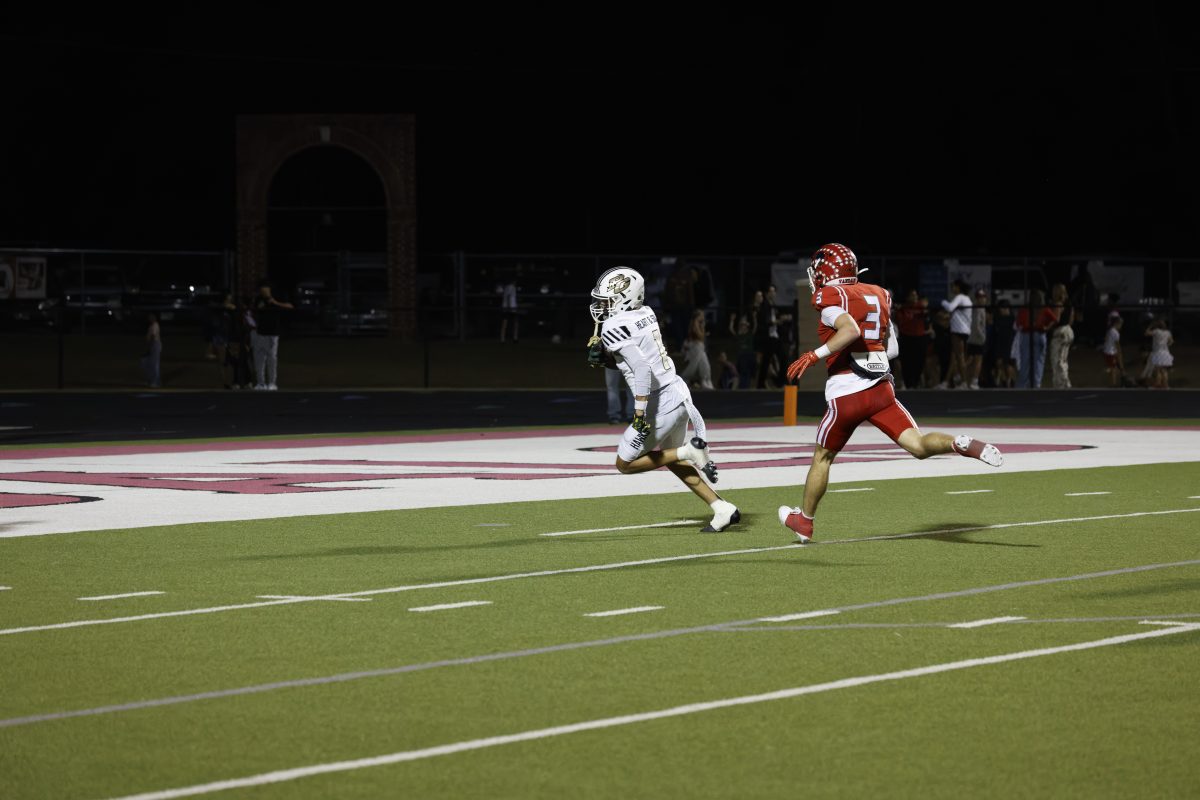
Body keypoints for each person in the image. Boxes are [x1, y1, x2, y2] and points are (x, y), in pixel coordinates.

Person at [775, 244, 1002, 543]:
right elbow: (892, 348)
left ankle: (804, 521)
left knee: (823, 457)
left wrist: (813, 355)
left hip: (847, 393)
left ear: (825, 273)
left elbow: (850, 330)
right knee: (918, 445)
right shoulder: (878, 294)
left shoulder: (830, 298)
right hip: (881, 389)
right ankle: (958, 443)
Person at [586, 266, 740, 533]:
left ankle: (689, 451)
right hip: (677, 391)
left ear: (624, 298)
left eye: (607, 301)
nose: (601, 307)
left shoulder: (613, 325)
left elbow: (642, 369)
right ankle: (721, 508)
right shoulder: (646, 312)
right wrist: (610, 359)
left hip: (660, 403)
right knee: (672, 459)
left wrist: (639, 412)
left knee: (625, 464)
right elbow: (639, 359)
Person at [251, 281, 294, 391]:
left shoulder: (276, 297)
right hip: (260, 333)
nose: (263, 291)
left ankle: (272, 383)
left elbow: (290, 306)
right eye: (261, 289)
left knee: (272, 359)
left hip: (272, 333)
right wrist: (257, 309)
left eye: (264, 288)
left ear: (269, 289)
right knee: (259, 360)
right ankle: (260, 383)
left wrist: (275, 302)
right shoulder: (258, 299)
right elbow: (252, 312)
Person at [1014, 289, 1056, 388]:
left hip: (1027, 335)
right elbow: (1054, 319)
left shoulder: (1025, 308)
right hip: (1039, 334)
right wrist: (1047, 327)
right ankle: (1036, 385)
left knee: (1025, 362)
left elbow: (1018, 323)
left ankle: (1022, 386)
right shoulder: (1044, 309)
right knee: (1038, 362)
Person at [939, 280, 973, 389]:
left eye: (954, 286)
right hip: (964, 330)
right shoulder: (967, 298)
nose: (952, 288)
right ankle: (946, 382)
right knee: (954, 358)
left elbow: (950, 307)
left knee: (959, 357)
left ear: (958, 287)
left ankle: (964, 382)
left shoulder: (960, 297)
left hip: (958, 331)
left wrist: (942, 302)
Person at [894, 290, 928, 391]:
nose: (914, 297)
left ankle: (916, 381)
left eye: (916, 295)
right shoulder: (902, 308)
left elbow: (926, 309)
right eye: (912, 295)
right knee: (906, 361)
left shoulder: (921, 306)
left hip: (919, 337)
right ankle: (908, 383)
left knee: (920, 360)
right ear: (907, 297)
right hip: (906, 337)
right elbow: (899, 321)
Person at [1047, 283, 1075, 388]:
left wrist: (1047, 328)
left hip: (1060, 332)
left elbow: (1056, 319)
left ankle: (1062, 383)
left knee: (1057, 359)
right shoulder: (1069, 304)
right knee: (1063, 359)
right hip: (1068, 330)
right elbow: (1071, 319)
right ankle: (1064, 382)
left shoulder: (1058, 304)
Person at [679, 309, 714, 390]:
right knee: (694, 365)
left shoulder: (697, 323)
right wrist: (703, 327)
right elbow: (701, 337)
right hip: (696, 347)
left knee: (704, 363)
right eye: (702, 315)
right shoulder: (695, 323)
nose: (703, 317)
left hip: (699, 347)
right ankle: (685, 379)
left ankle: (705, 380)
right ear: (698, 316)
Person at [728, 309, 757, 390]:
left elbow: (755, 327)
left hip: (749, 355)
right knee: (743, 372)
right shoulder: (739, 335)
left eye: (744, 325)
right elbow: (731, 329)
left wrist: (754, 318)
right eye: (741, 326)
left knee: (747, 373)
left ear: (747, 327)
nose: (742, 327)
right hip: (742, 356)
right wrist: (732, 320)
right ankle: (743, 387)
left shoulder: (749, 334)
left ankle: (745, 387)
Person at [990, 299, 1017, 388]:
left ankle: (1009, 381)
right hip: (1000, 343)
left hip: (1010, 343)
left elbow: (1015, 332)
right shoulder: (997, 319)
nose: (1002, 310)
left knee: (1009, 364)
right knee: (999, 363)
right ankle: (1002, 380)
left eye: (1004, 308)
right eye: (1001, 308)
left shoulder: (1012, 319)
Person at [965, 288, 988, 389]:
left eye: (983, 297)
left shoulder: (975, 308)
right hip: (977, 339)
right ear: (977, 299)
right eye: (980, 297)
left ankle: (967, 381)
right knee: (978, 361)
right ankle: (974, 381)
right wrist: (983, 337)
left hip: (972, 338)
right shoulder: (979, 309)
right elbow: (977, 325)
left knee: (971, 360)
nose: (982, 299)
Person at [1145, 317, 1174, 389]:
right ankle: (1166, 385)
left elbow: (1146, 333)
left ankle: (1157, 384)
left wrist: (1150, 326)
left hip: (1158, 352)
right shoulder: (1168, 332)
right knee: (1164, 370)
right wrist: (1166, 345)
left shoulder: (1156, 331)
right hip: (1166, 352)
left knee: (1158, 370)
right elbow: (1171, 341)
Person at [141, 313, 162, 388]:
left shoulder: (155, 325)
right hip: (152, 345)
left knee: (154, 364)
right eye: (149, 317)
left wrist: (150, 347)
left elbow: (153, 336)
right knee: (146, 362)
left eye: (152, 317)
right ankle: (150, 380)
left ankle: (156, 382)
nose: (150, 319)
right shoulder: (151, 325)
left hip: (154, 345)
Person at [499, 269, 520, 344]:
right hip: (510, 308)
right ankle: (514, 338)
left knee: (506, 323)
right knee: (513, 323)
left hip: (508, 307)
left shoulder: (507, 287)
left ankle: (503, 338)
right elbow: (508, 297)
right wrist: (509, 307)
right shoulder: (511, 287)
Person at [1103, 315, 1124, 387]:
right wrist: (1119, 352)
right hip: (1110, 353)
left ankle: (1111, 377)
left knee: (1113, 367)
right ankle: (1113, 384)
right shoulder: (1116, 333)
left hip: (1106, 351)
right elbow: (1117, 344)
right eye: (1120, 324)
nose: (1121, 326)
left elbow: (1106, 339)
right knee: (1114, 369)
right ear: (1116, 323)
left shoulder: (1109, 330)